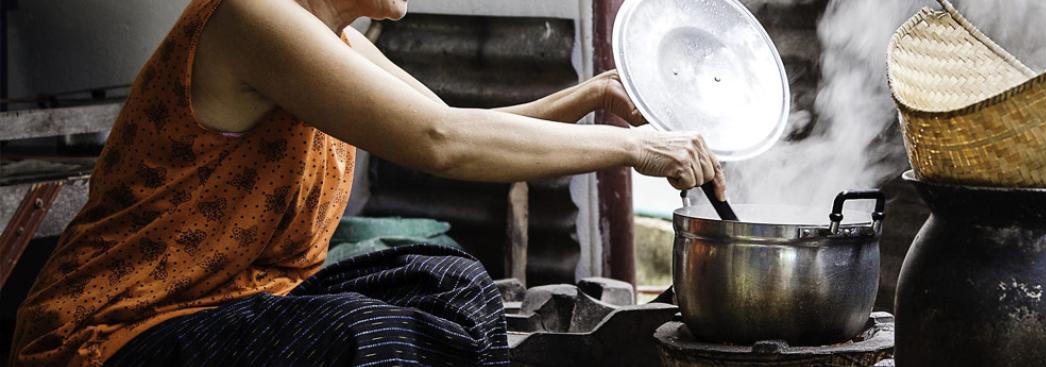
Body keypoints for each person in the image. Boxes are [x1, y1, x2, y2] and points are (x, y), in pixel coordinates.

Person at [9, 0, 727, 366]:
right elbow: (440, 144)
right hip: (113, 336)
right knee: (365, 335)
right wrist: (630, 146)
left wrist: (589, 95)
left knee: (447, 279)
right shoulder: (255, 16)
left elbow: (445, 121)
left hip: (233, 307)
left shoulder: (332, 38)